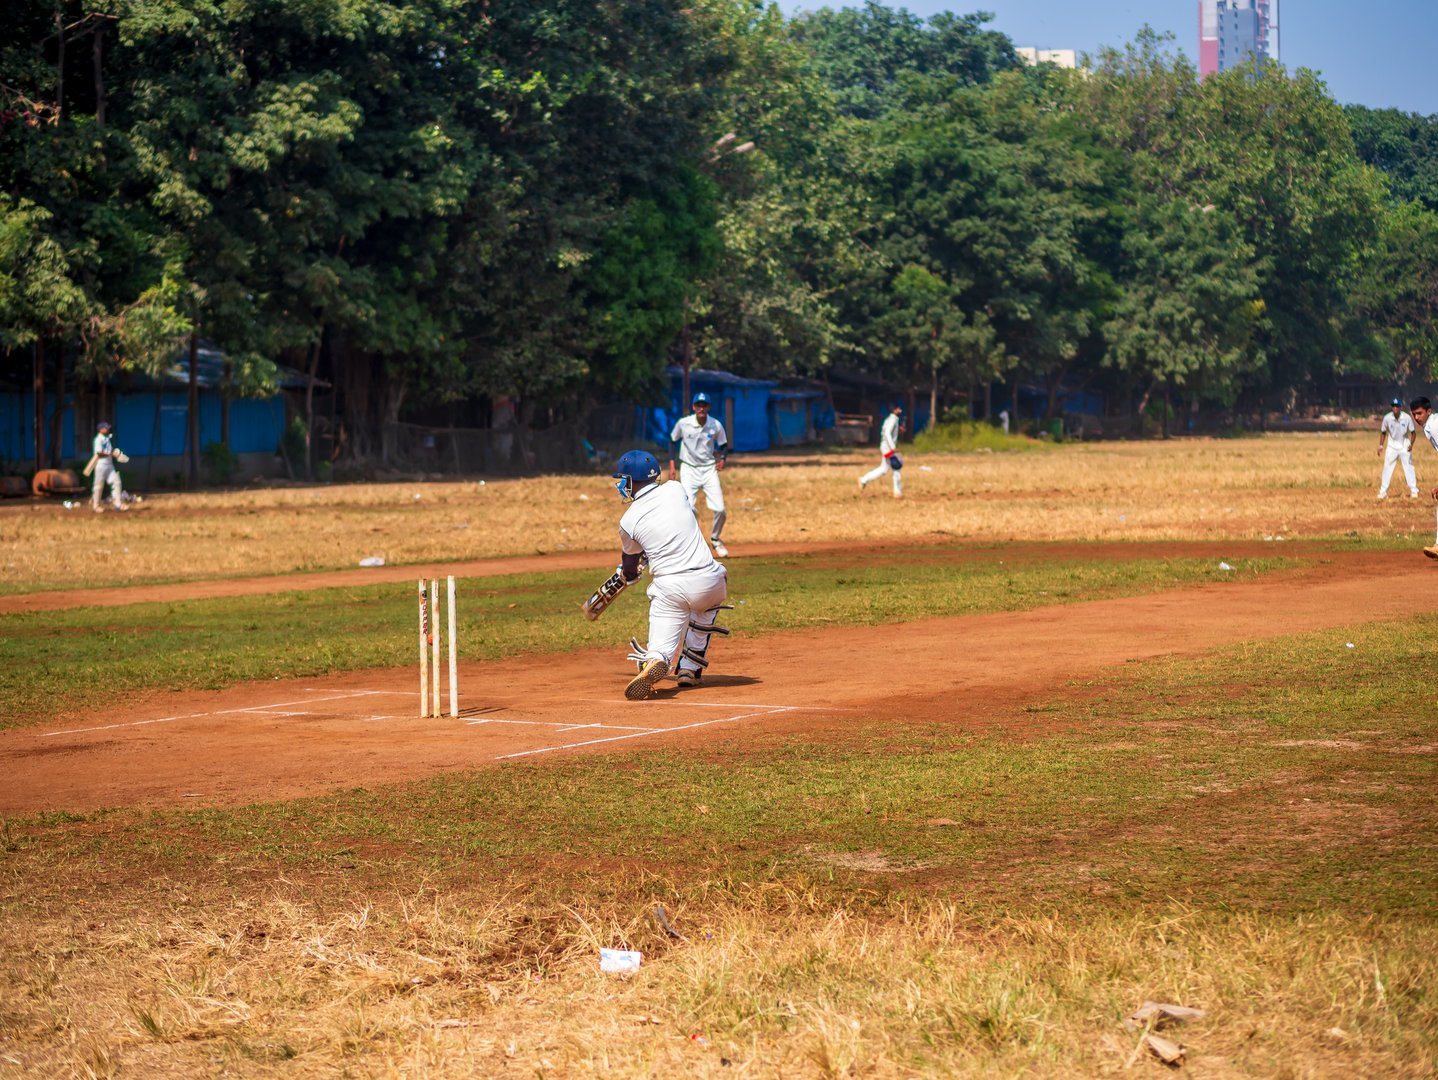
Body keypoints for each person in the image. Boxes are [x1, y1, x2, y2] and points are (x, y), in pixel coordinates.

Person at [612, 449, 729, 698]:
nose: (621, 485)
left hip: (671, 588)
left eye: (623, 480)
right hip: (709, 581)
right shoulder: (676, 489)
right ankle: (690, 668)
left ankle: (655, 659)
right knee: (703, 610)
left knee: (661, 643)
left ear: (632, 481)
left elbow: (630, 564)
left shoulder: (628, 521)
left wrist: (630, 573)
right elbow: (671, 527)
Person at [668, 391, 730, 558]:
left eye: (704, 405)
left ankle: (715, 539)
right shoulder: (683, 423)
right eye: (698, 405)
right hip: (688, 468)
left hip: (709, 469)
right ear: (694, 407)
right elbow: (673, 441)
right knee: (689, 508)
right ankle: (694, 544)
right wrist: (672, 464)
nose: (701, 408)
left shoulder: (715, 425)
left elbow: (723, 445)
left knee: (720, 509)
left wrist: (722, 459)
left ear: (708, 407)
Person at [858, 404, 905, 497]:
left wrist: (898, 430)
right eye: (899, 409)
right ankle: (897, 492)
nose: (901, 411)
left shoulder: (889, 419)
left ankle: (863, 480)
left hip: (885, 447)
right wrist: (892, 447)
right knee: (897, 467)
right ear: (895, 410)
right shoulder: (893, 420)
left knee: (883, 469)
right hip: (888, 448)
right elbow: (887, 433)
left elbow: (885, 432)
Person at [1376, 398, 1419, 499]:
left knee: (1408, 467)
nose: (1395, 408)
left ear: (1400, 407)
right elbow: (1383, 432)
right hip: (1392, 446)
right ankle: (1383, 492)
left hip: (1404, 445)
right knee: (1387, 467)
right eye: (1393, 406)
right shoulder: (1387, 418)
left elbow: (1413, 433)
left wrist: (1411, 445)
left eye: (1397, 406)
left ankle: (1414, 490)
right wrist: (1381, 445)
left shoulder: (1407, 417)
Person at [89, 422, 127, 513]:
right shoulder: (98, 439)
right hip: (100, 465)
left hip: (109, 465)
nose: (108, 429)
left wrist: (115, 454)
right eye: (106, 428)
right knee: (98, 486)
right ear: (101, 429)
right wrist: (112, 454)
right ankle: (96, 506)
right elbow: (99, 453)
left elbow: (108, 451)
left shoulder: (107, 439)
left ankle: (118, 504)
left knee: (116, 482)